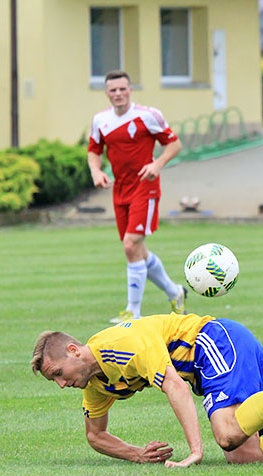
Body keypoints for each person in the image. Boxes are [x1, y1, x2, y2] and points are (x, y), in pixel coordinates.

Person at [30, 313, 263, 467]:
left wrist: (195, 452)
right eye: (53, 380)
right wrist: (138, 454)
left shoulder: (121, 345)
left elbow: (176, 387)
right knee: (243, 454)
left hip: (216, 343)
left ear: (74, 351)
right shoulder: (95, 382)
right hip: (217, 357)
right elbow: (95, 436)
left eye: (58, 373)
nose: (61, 384)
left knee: (225, 435)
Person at [88, 70, 187, 324]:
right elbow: (94, 150)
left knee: (130, 245)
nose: (118, 94)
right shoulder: (100, 120)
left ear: (131, 90)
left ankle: (133, 311)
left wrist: (157, 164)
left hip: (146, 186)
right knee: (137, 250)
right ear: (106, 93)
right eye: (113, 90)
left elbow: (174, 144)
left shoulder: (148, 115)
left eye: (123, 89)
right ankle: (175, 293)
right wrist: (96, 171)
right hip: (120, 189)